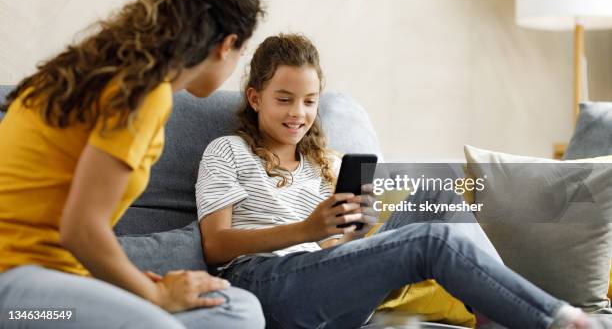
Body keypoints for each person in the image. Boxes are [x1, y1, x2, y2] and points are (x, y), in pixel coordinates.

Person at [196, 33, 611, 329]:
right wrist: (307, 228)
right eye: (283, 99)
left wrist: (353, 232)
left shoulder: (324, 163)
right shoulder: (227, 151)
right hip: (264, 284)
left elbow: (329, 252)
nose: (298, 113)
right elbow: (215, 245)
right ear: (255, 98)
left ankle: (504, 304)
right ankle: (558, 320)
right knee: (430, 241)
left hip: (326, 291)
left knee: (436, 194)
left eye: (309, 101)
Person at [0, 0, 265, 329]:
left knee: (236, 309)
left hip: (65, 280)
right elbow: (81, 230)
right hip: (18, 294)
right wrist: (154, 297)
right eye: (243, 52)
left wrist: (141, 287)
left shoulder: (101, 68)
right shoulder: (141, 92)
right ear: (227, 44)